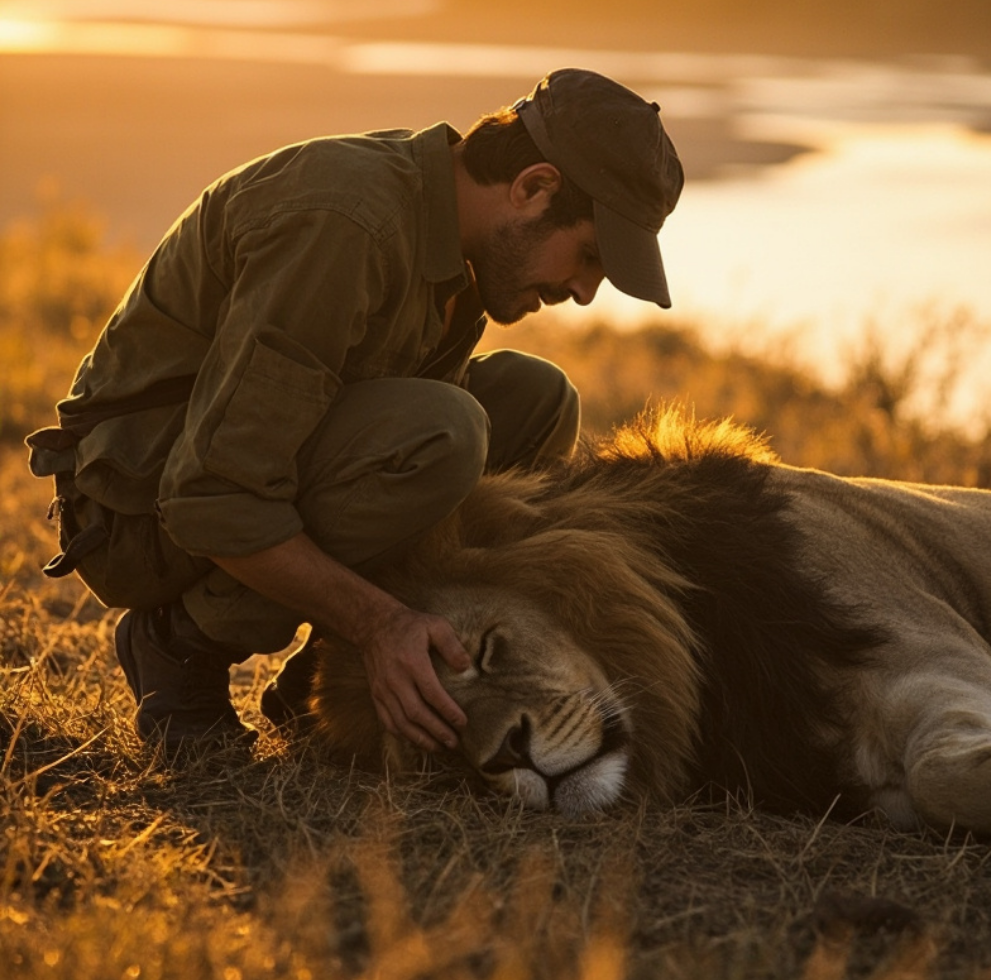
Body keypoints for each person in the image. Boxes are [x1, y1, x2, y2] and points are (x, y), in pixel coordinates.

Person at [26, 68, 684, 754]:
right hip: (136, 507)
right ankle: (181, 643)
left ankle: (318, 680)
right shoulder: (347, 220)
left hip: (227, 468)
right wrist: (379, 625)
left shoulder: (459, 250)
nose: (583, 293)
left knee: (538, 402)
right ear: (533, 188)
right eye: (588, 257)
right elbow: (211, 491)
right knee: (444, 433)